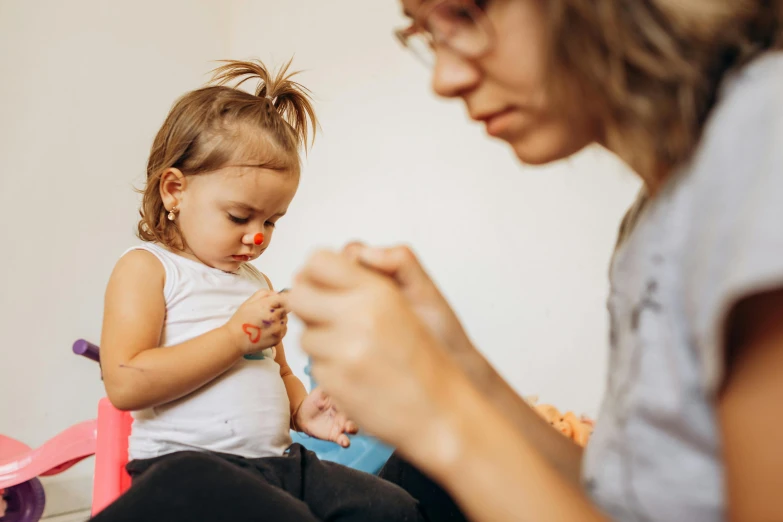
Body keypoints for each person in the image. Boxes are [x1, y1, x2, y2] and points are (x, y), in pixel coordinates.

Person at [286, 0, 783, 521]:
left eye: (465, 12)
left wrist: (443, 414)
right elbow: (625, 504)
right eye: (427, 33)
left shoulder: (763, 137)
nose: (444, 78)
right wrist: (462, 366)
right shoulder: (657, 215)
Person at [91, 59, 423, 522]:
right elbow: (126, 382)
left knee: (395, 509)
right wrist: (233, 338)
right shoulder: (148, 269)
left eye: (271, 221)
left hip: (280, 464)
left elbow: (277, 370)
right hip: (188, 471)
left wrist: (302, 409)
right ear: (174, 191)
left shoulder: (257, 284)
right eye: (239, 216)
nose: (258, 236)